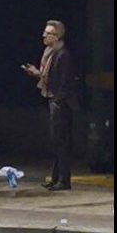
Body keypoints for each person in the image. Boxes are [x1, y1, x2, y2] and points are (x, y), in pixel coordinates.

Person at [22, 19, 80, 191]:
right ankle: (56, 177)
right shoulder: (50, 53)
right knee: (56, 141)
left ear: (57, 36)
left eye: (48, 33)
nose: (44, 36)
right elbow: (49, 77)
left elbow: (65, 82)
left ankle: (64, 179)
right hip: (53, 99)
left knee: (61, 141)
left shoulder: (63, 54)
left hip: (61, 102)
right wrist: (37, 74)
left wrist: (58, 101)